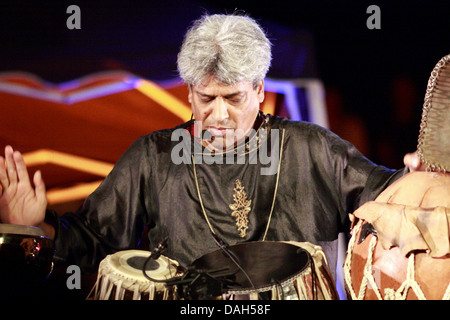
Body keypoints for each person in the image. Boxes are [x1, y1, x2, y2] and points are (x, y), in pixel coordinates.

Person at [0, 14, 424, 285]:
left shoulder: (311, 147)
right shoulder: (154, 156)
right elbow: (93, 239)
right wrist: (37, 229)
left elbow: (386, 197)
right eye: (207, 99)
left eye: (234, 98)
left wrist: (417, 178)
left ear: (260, 90)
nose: (218, 115)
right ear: (189, 94)